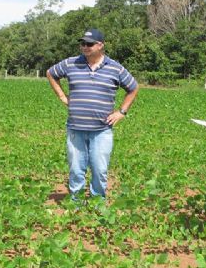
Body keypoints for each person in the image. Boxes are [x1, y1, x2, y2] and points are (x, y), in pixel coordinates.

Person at [46, 28, 139, 200]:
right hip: (75, 128)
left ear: (100, 45)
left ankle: (98, 201)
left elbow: (133, 88)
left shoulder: (115, 68)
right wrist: (61, 95)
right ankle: (75, 201)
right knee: (75, 168)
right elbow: (51, 73)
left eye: (89, 43)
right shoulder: (70, 63)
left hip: (102, 129)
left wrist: (122, 112)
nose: (85, 46)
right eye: (83, 43)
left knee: (99, 169)